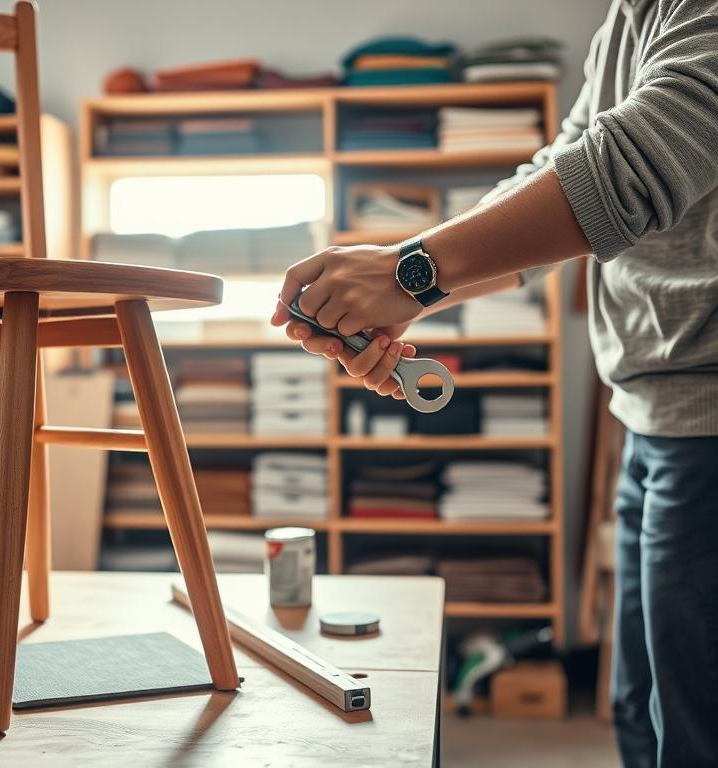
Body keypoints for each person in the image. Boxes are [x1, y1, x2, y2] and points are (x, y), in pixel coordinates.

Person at [271, 1, 718, 766]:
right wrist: (412, 281)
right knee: (643, 715)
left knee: (693, 730)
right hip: (651, 407)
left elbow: (639, 159)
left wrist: (409, 274)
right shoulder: (629, 16)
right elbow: (561, 173)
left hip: (704, 418)